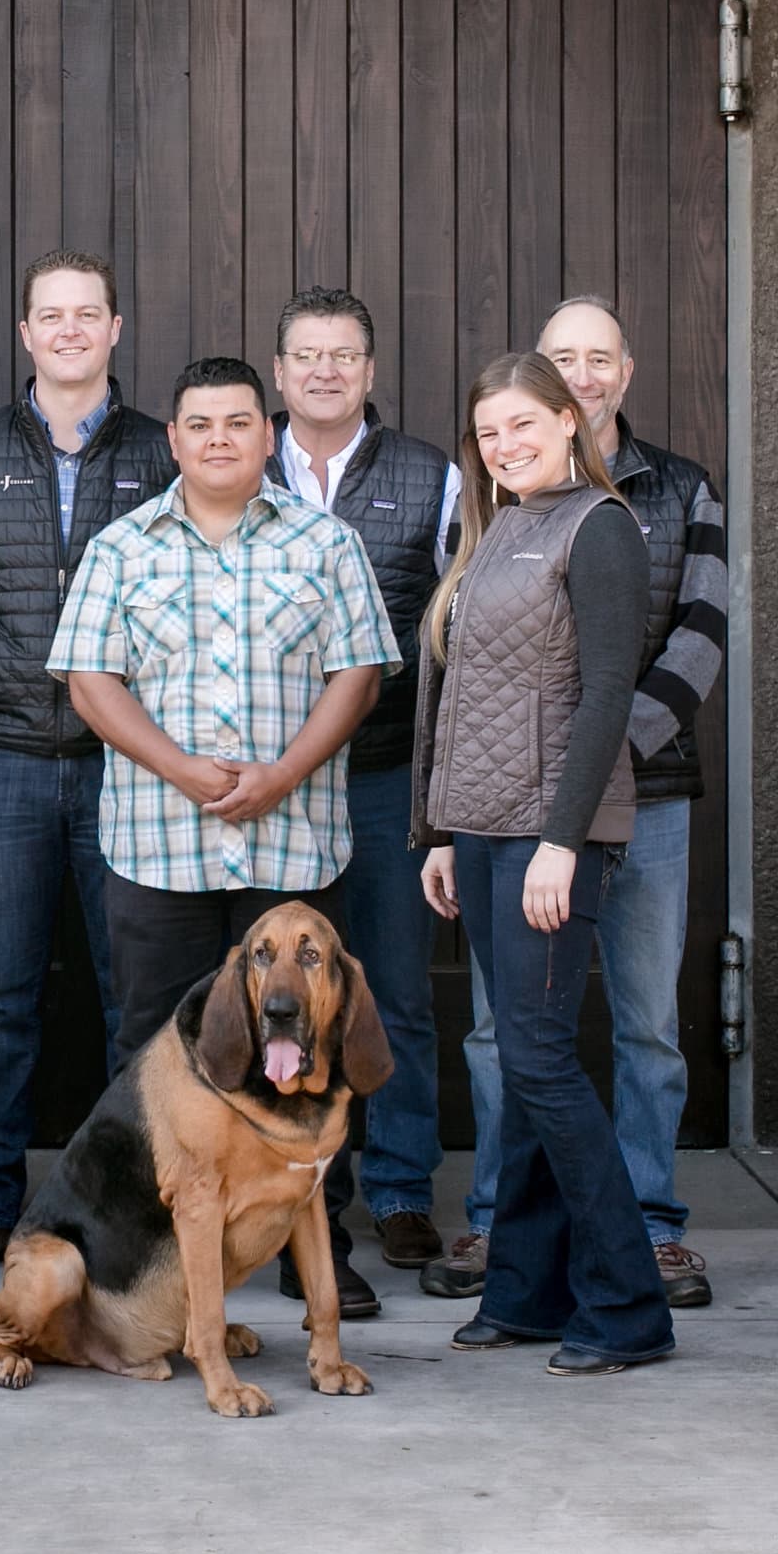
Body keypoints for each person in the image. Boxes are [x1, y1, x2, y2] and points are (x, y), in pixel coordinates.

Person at [52, 354, 400, 1319]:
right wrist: (180, 768)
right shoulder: (122, 547)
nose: (218, 439)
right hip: (158, 842)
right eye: (199, 424)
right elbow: (89, 682)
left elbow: (359, 675)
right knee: (155, 1056)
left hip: (292, 845)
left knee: (309, 1044)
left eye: (238, 422)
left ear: (266, 433)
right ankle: (145, 1251)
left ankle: (307, 1250)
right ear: (173, 438)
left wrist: (281, 774)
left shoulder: (325, 543)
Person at [429, 297, 730, 1311]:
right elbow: (466, 674)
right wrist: (448, 823)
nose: (582, 373)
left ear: (611, 381)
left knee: (627, 1032)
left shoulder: (662, 496)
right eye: (564, 356)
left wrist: (593, 780)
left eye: (598, 358)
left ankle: (645, 1244)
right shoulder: (497, 511)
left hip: (618, 797)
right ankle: (508, 1246)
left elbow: (687, 642)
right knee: (509, 1038)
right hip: (513, 811)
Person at [0, 248, 174, 1281]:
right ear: (25, 333)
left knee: (134, 997)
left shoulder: (162, 447)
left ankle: (129, 1212)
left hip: (130, 766)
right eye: (50, 315)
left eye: (87, 313)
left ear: (115, 328)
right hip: (0, 760)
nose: (69, 330)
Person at [267, 287, 465, 1274]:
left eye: (343, 355)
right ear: (279, 372)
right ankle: (304, 1190)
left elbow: (458, 628)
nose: (325, 371)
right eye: (307, 355)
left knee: (394, 991)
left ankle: (398, 1188)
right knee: (288, 997)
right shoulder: (238, 464)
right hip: (274, 786)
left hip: (386, 776)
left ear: (370, 371)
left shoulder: (431, 478)